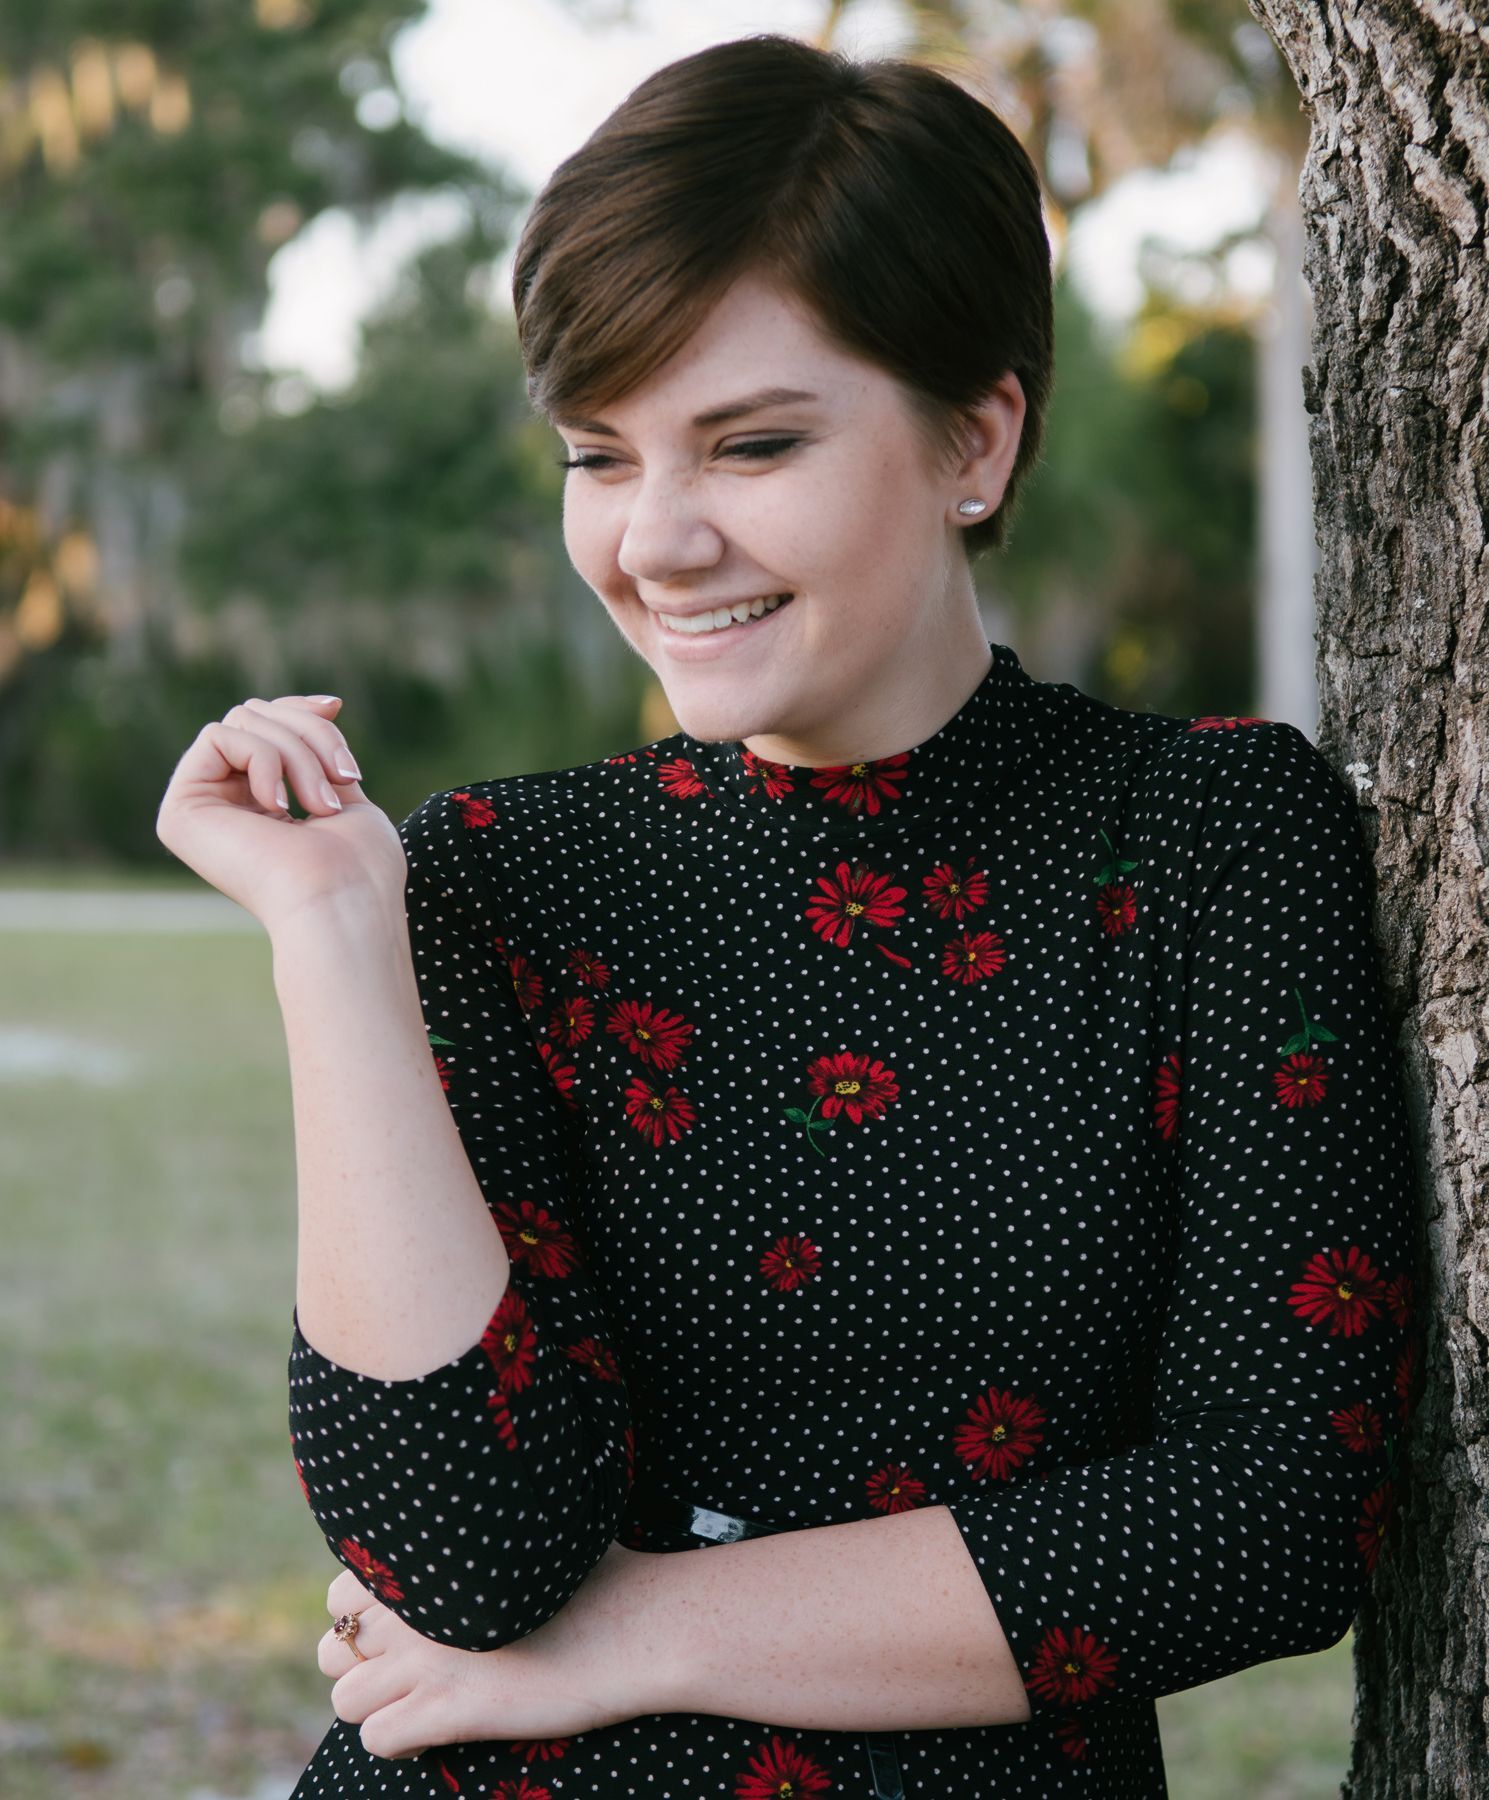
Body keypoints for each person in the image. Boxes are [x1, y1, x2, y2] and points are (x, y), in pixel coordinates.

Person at [155, 31, 1421, 1799]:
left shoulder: (1207, 838)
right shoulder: (498, 875)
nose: (655, 540)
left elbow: (1273, 1516)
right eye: (601, 455)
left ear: (975, 439)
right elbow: (456, 1561)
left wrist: (634, 1631)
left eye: (747, 445)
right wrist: (333, 938)